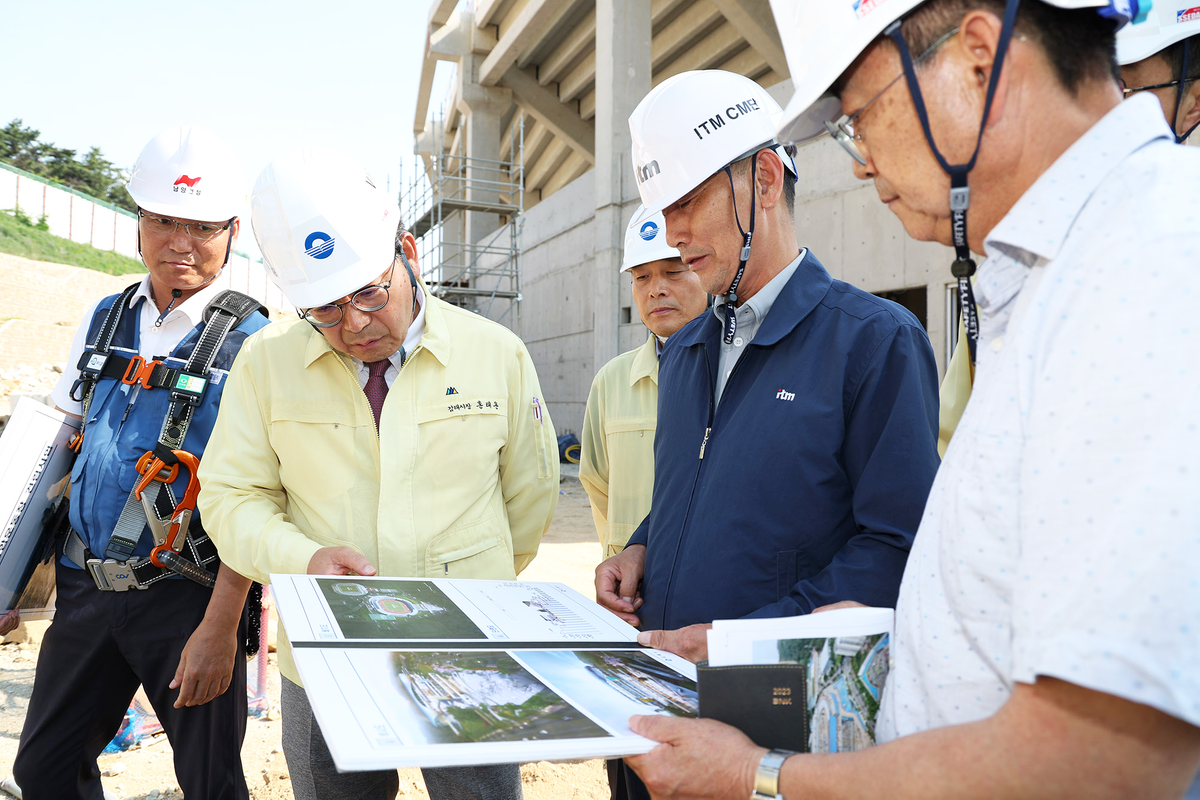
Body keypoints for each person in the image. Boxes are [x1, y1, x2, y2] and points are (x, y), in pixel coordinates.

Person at [624, 1, 1200, 797]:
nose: (860, 163)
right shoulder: (1072, 270)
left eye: (859, 116)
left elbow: (1102, 758)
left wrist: (761, 775)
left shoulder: (1148, 266)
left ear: (978, 58)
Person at [594, 67, 940, 797]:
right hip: (654, 702)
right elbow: (700, 484)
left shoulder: (873, 343)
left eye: (688, 202)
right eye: (663, 209)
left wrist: (736, 643)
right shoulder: (685, 351)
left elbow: (897, 548)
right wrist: (641, 545)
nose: (673, 231)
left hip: (774, 725)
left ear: (765, 179)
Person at [196, 146, 559, 800]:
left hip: (467, 652)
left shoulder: (495, 354)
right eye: (326, 310)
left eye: (368, 291)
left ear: (408, 254)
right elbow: (231, 498)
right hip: (325, 662)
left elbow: (528, 502)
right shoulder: (265, 362)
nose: (355, 324)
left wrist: (469, 583)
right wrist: (303, 561)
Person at [13, 127, 266, 800]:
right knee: (44, 771)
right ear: (140, 221)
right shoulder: (106, 317)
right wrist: (10, 584)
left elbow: (262, 496)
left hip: (186, 596)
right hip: (86, 588)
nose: (181, 242)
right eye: (164, 221)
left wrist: (220, 627)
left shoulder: (257, 342)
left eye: (203, 227)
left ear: (232, 231)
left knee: (211, 784)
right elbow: (57, 444)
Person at [936, 6, 1199, 456]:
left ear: (1193, 103)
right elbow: (957, 438)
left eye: (1120, 86)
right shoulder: (1007, 266)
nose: (1089, 104)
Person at [580, 208, 709, 560]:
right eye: (641, 277)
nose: (656, 290)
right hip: (631, 582)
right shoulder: (612, 380)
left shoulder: (739, 370)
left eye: (673, 272)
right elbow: (597, 484)